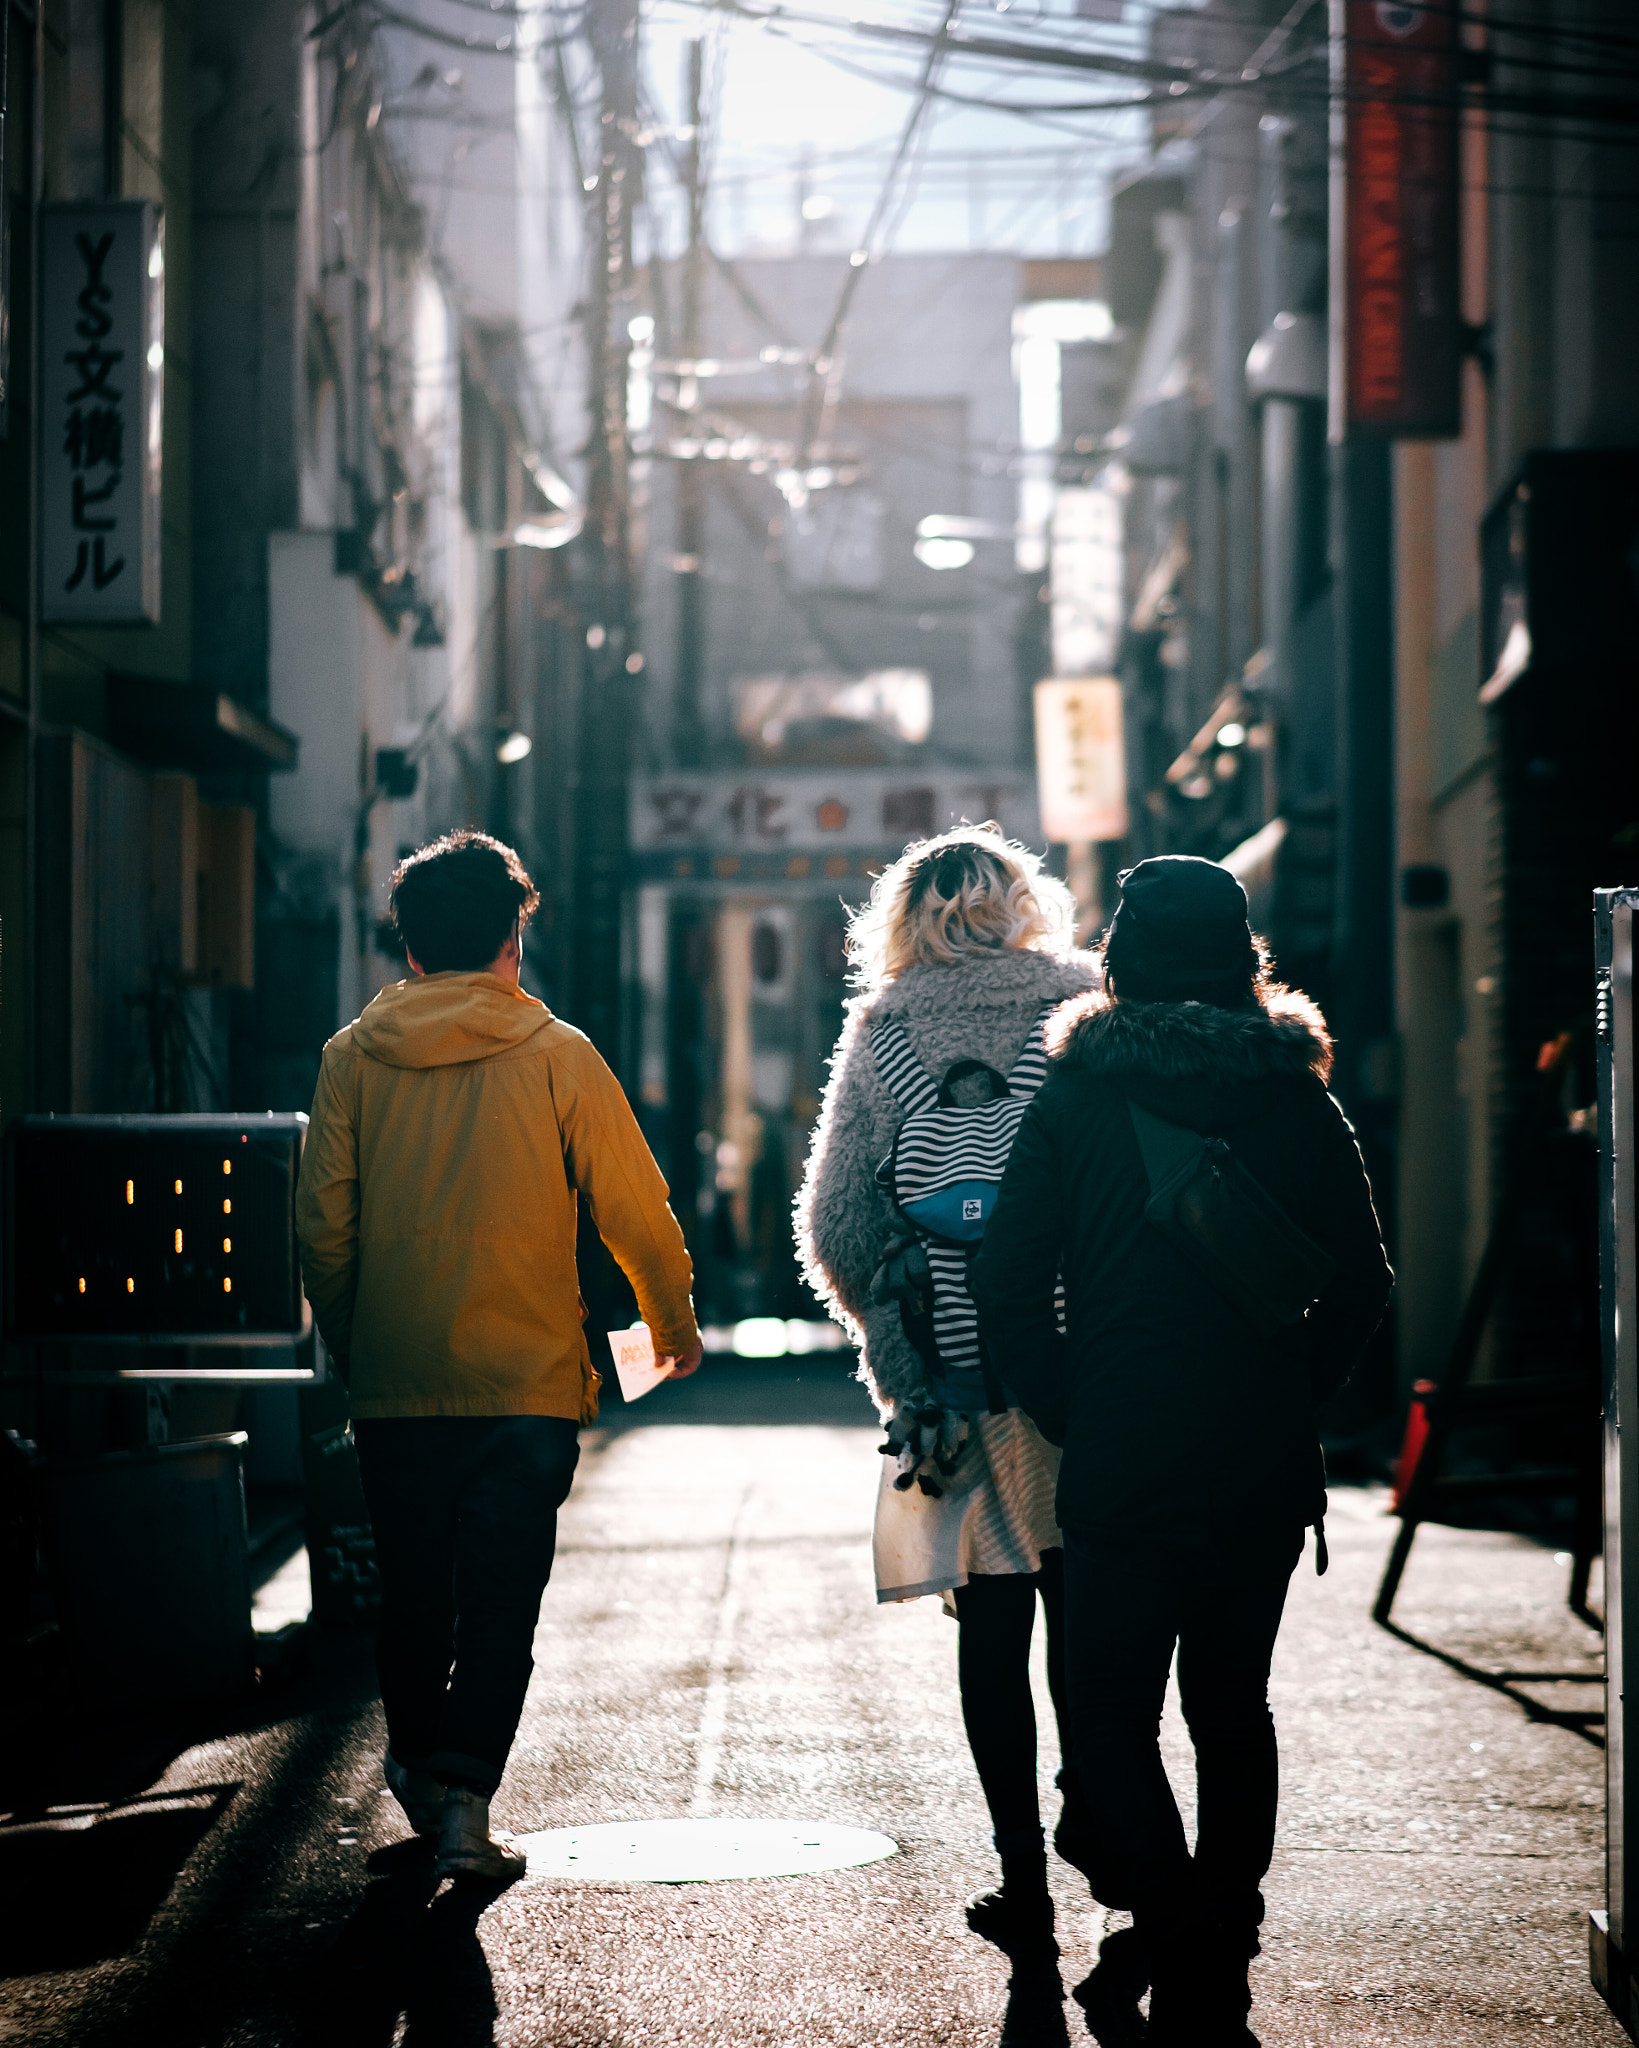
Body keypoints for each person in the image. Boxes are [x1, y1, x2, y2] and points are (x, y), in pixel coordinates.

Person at [972, 855, 1393, 2046]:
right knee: (1230, 1704)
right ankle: (1220, 1920)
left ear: (1123, 958)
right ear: (1242, 958)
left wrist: (1064, 1400)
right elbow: (1364, 1280)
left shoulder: (1076, 1095)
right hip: (1258, 1454)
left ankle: (1169, 1919)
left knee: (1105, 1712)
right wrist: (1294, 1392)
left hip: (1122, 1446)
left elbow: (1009, 1275)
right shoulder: (1295, 1094)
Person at [296, 830, 702, 1884]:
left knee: (414, 1596)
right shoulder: (557, 1053)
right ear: (513, 933)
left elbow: (322, 1229)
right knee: (500, 1602)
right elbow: (637, 1214)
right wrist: (669, 1325)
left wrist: (355, 1342)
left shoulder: (350, 1058)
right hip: (525, 1385)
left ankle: (422, 1774)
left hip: (397, 1383)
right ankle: (466, 1806)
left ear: (410, 948)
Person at [796, 827, 1100, 2047]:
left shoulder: (885, 1028)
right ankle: (1105, 1811)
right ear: (1022, 905)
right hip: (1081, 1365)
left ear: (904, 919)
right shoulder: (1088, 1007)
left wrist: (893, 1333)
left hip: (955, 1370)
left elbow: (837, 1213)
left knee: (991, 1620)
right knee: (1088, 1605)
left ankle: (1020, 1876)